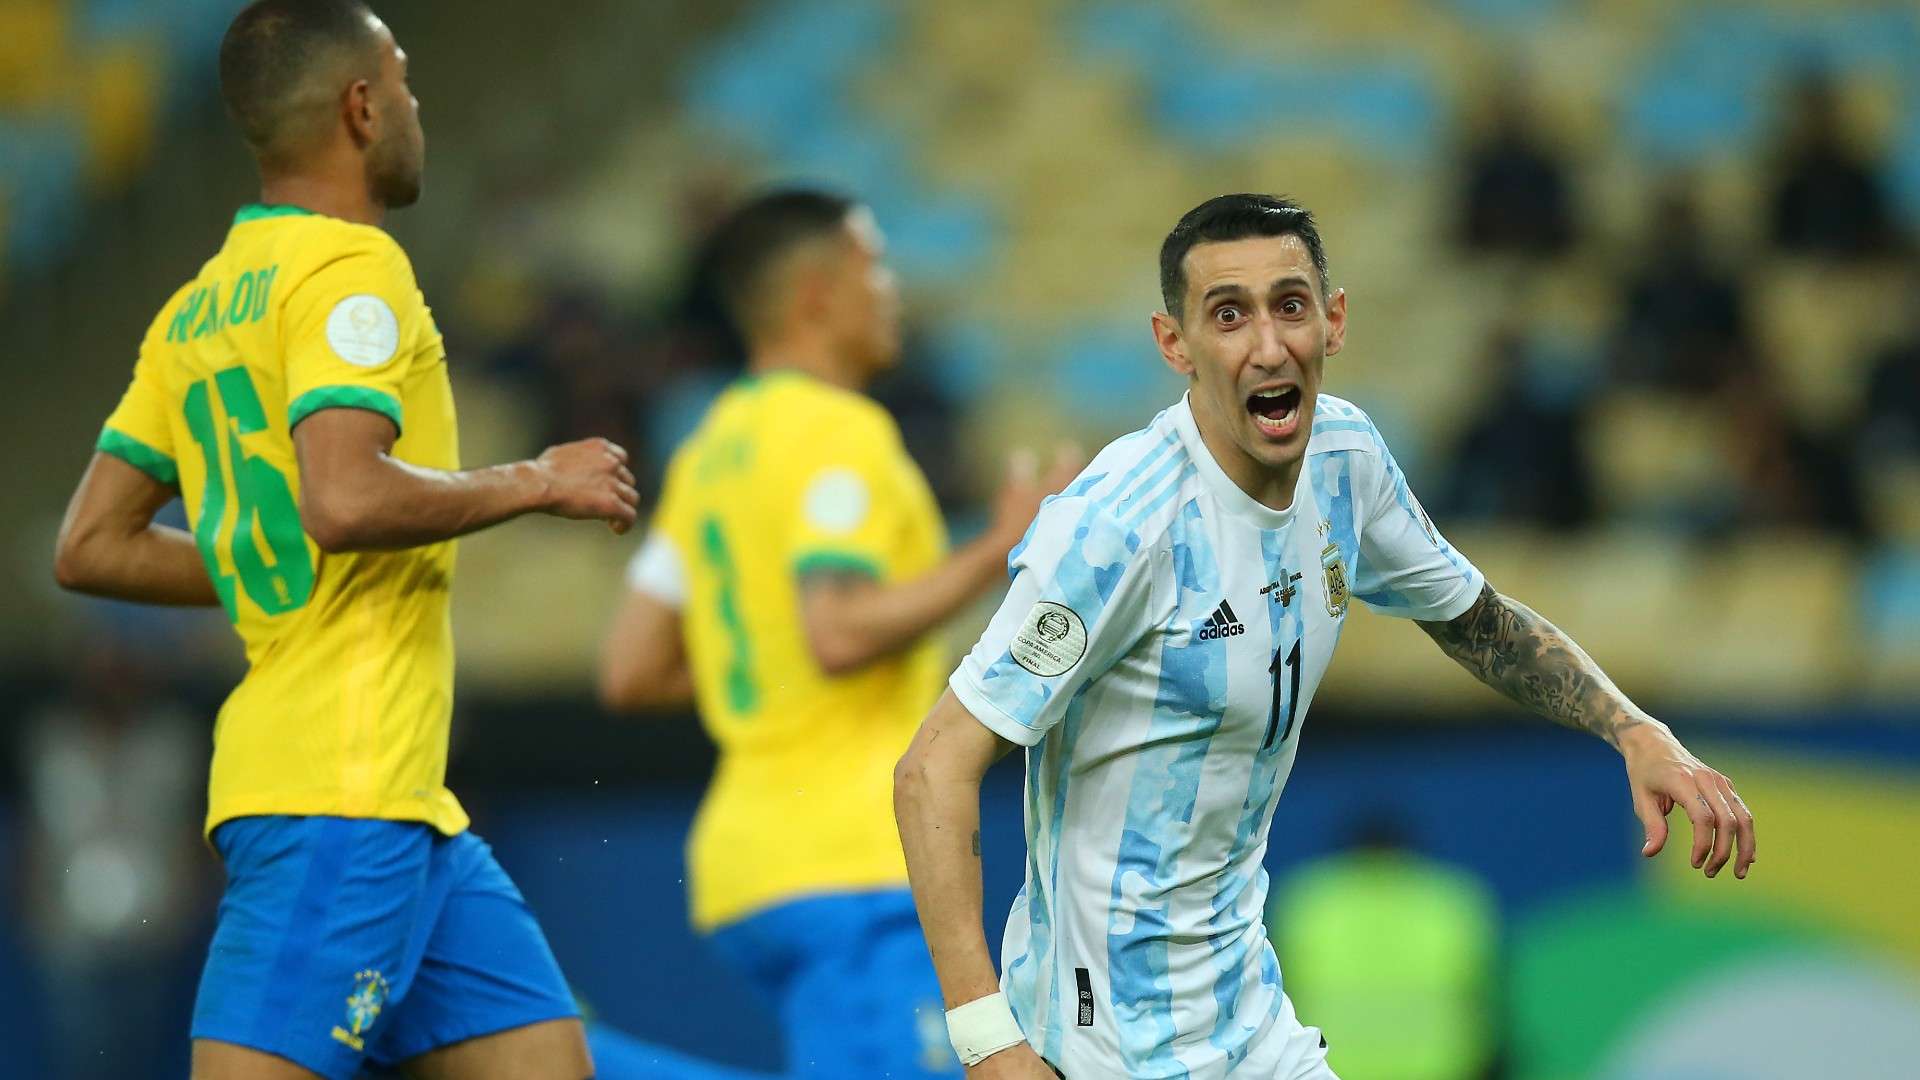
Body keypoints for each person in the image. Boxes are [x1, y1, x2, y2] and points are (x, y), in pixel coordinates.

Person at [893, 194, 1758, 1079]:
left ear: (1333, 320)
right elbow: (934, 767)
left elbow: (1476, 619)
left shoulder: (1347, 462)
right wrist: (987, 1039)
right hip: (1105, 1040)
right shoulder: (1120, 528)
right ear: (1174, 344)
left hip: (1250, 1023)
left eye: (1290, 305)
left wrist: (1634, 730)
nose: (1268, 346)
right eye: (1228, 315)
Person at [51, 3, 638, 1077]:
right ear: (363, 108)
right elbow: (347, 498)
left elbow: (91, 543)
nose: (415, 105)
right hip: (339, 789)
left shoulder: (198, 307)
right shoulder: (351, 271)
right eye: (404, 82)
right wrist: (534, 479)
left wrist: (260, 559)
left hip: (409, 813)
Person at [598, 188, 1077, 1078]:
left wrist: (772, 668)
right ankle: (561, 1059)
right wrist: (996, 550)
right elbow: (839, 631)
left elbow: (630, 668)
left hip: (749, 869)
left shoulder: (711, 450)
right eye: (876, 266)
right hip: (850, 866)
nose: (893, 289)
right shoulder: (839, 433)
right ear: (818, 293)